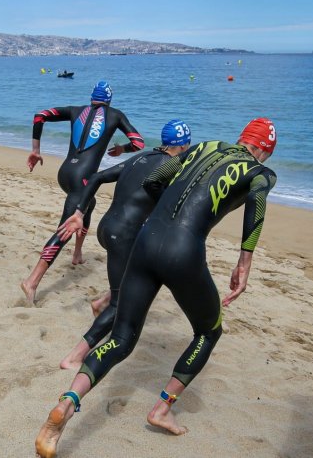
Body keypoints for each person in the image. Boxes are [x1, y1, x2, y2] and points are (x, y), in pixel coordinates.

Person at [34, 118, 278, 458]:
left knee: (121, 338)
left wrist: (166, 213)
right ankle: (162, 408)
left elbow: (154, 180)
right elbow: (257, 209)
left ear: (241, 138)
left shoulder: (204, 147)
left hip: (146, 242)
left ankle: (67, 402)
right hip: (184, 251)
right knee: (208, 332)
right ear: (265, 150)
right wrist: (244, 262)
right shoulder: (260, 173)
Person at [56, 120, 193, 369]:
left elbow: (97, 177)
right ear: (184, 145)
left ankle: (100, 304)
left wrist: (79, 212)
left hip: (106, 228)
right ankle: (74, 357)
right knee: (123, 303)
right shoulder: (173, 167)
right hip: (124, 236)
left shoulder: (142, 157)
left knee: (130, 277)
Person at [21, 81, 145, 305]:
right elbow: (138, 143)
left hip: (65, 173)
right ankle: (31, 281)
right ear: (109, 100)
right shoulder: (115, 115)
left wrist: (36, 151)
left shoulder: (75, 111)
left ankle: (77, 254)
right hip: (83, 179)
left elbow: (40, 116)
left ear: (92, 98)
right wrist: (121, 149)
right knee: (65, 228)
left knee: (90, 202)